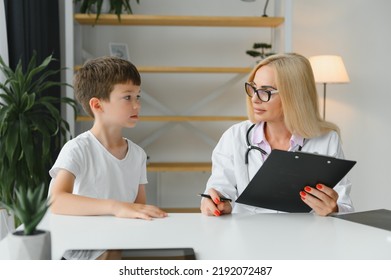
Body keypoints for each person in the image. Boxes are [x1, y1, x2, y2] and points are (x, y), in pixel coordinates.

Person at [200, 53, 353, 217]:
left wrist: (333, 209)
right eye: (253, 88)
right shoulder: (235, 136)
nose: (254, 99)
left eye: (266, 91)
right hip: (248, 236)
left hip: (305, 238)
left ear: (295, 95)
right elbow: (220, 188)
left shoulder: (327, 139)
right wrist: (216, 202)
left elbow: (344, 205)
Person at [49, 56, 167, 259]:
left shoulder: (137, 154)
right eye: (127, 97)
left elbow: (138, 209)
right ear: (97, 105)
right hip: (84, 249)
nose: (137, 105)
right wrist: (115, 207)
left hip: (121, 242)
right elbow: (56, 201)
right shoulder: (78, 149)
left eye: (138, 96)